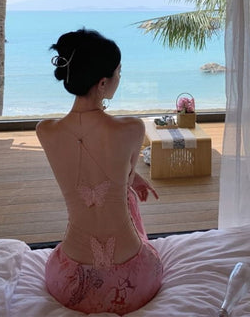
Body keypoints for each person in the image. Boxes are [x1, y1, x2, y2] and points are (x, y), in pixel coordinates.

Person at [36, 28, 163, 315]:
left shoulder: (45, 131)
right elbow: (120, 173)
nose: (120, 78)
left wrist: (132, 179)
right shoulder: (132, 128)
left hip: (69, 283)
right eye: (119, 72)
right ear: (103, 82)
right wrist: (132, 179)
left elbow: (91, 171)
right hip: (134, 283)